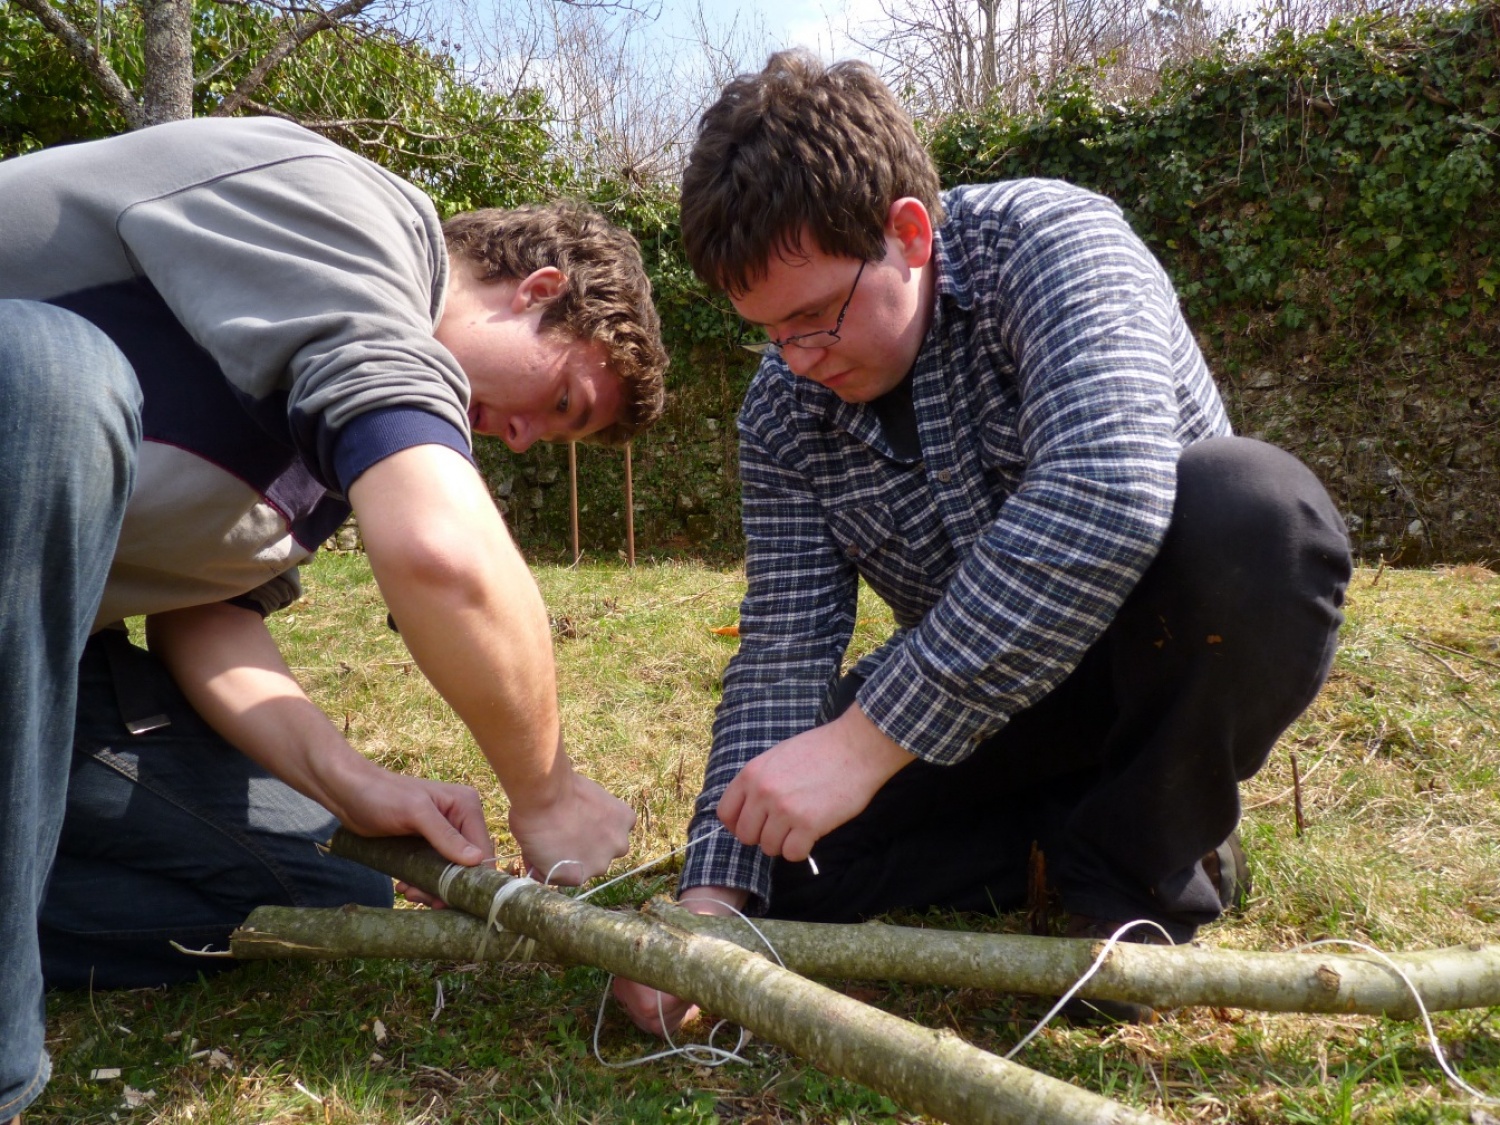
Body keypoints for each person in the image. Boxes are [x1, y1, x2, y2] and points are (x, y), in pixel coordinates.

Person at [614, 50, 1351, 1035]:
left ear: (907, 234)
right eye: (767, 333)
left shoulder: (1058, 247)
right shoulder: (785, 407)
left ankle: (1134, 875)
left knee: (1255, 512)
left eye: (814, 321)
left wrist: (867, 743)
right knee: (795, 861)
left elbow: (1106, 499)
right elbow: (784, 647)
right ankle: (1057, 841)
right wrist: (714, 898)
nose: (797, 361)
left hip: (1159, 668)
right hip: (982, 702)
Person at [0, 115, 668, 1122]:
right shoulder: (350, 216)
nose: (527, 441)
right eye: (562, 401)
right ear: (539, 293)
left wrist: (353, 782)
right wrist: (548, 791)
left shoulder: (325, 455)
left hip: (39, 664)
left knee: (311, 890)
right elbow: (441, 555)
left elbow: (206, 623)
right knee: (51, 380)